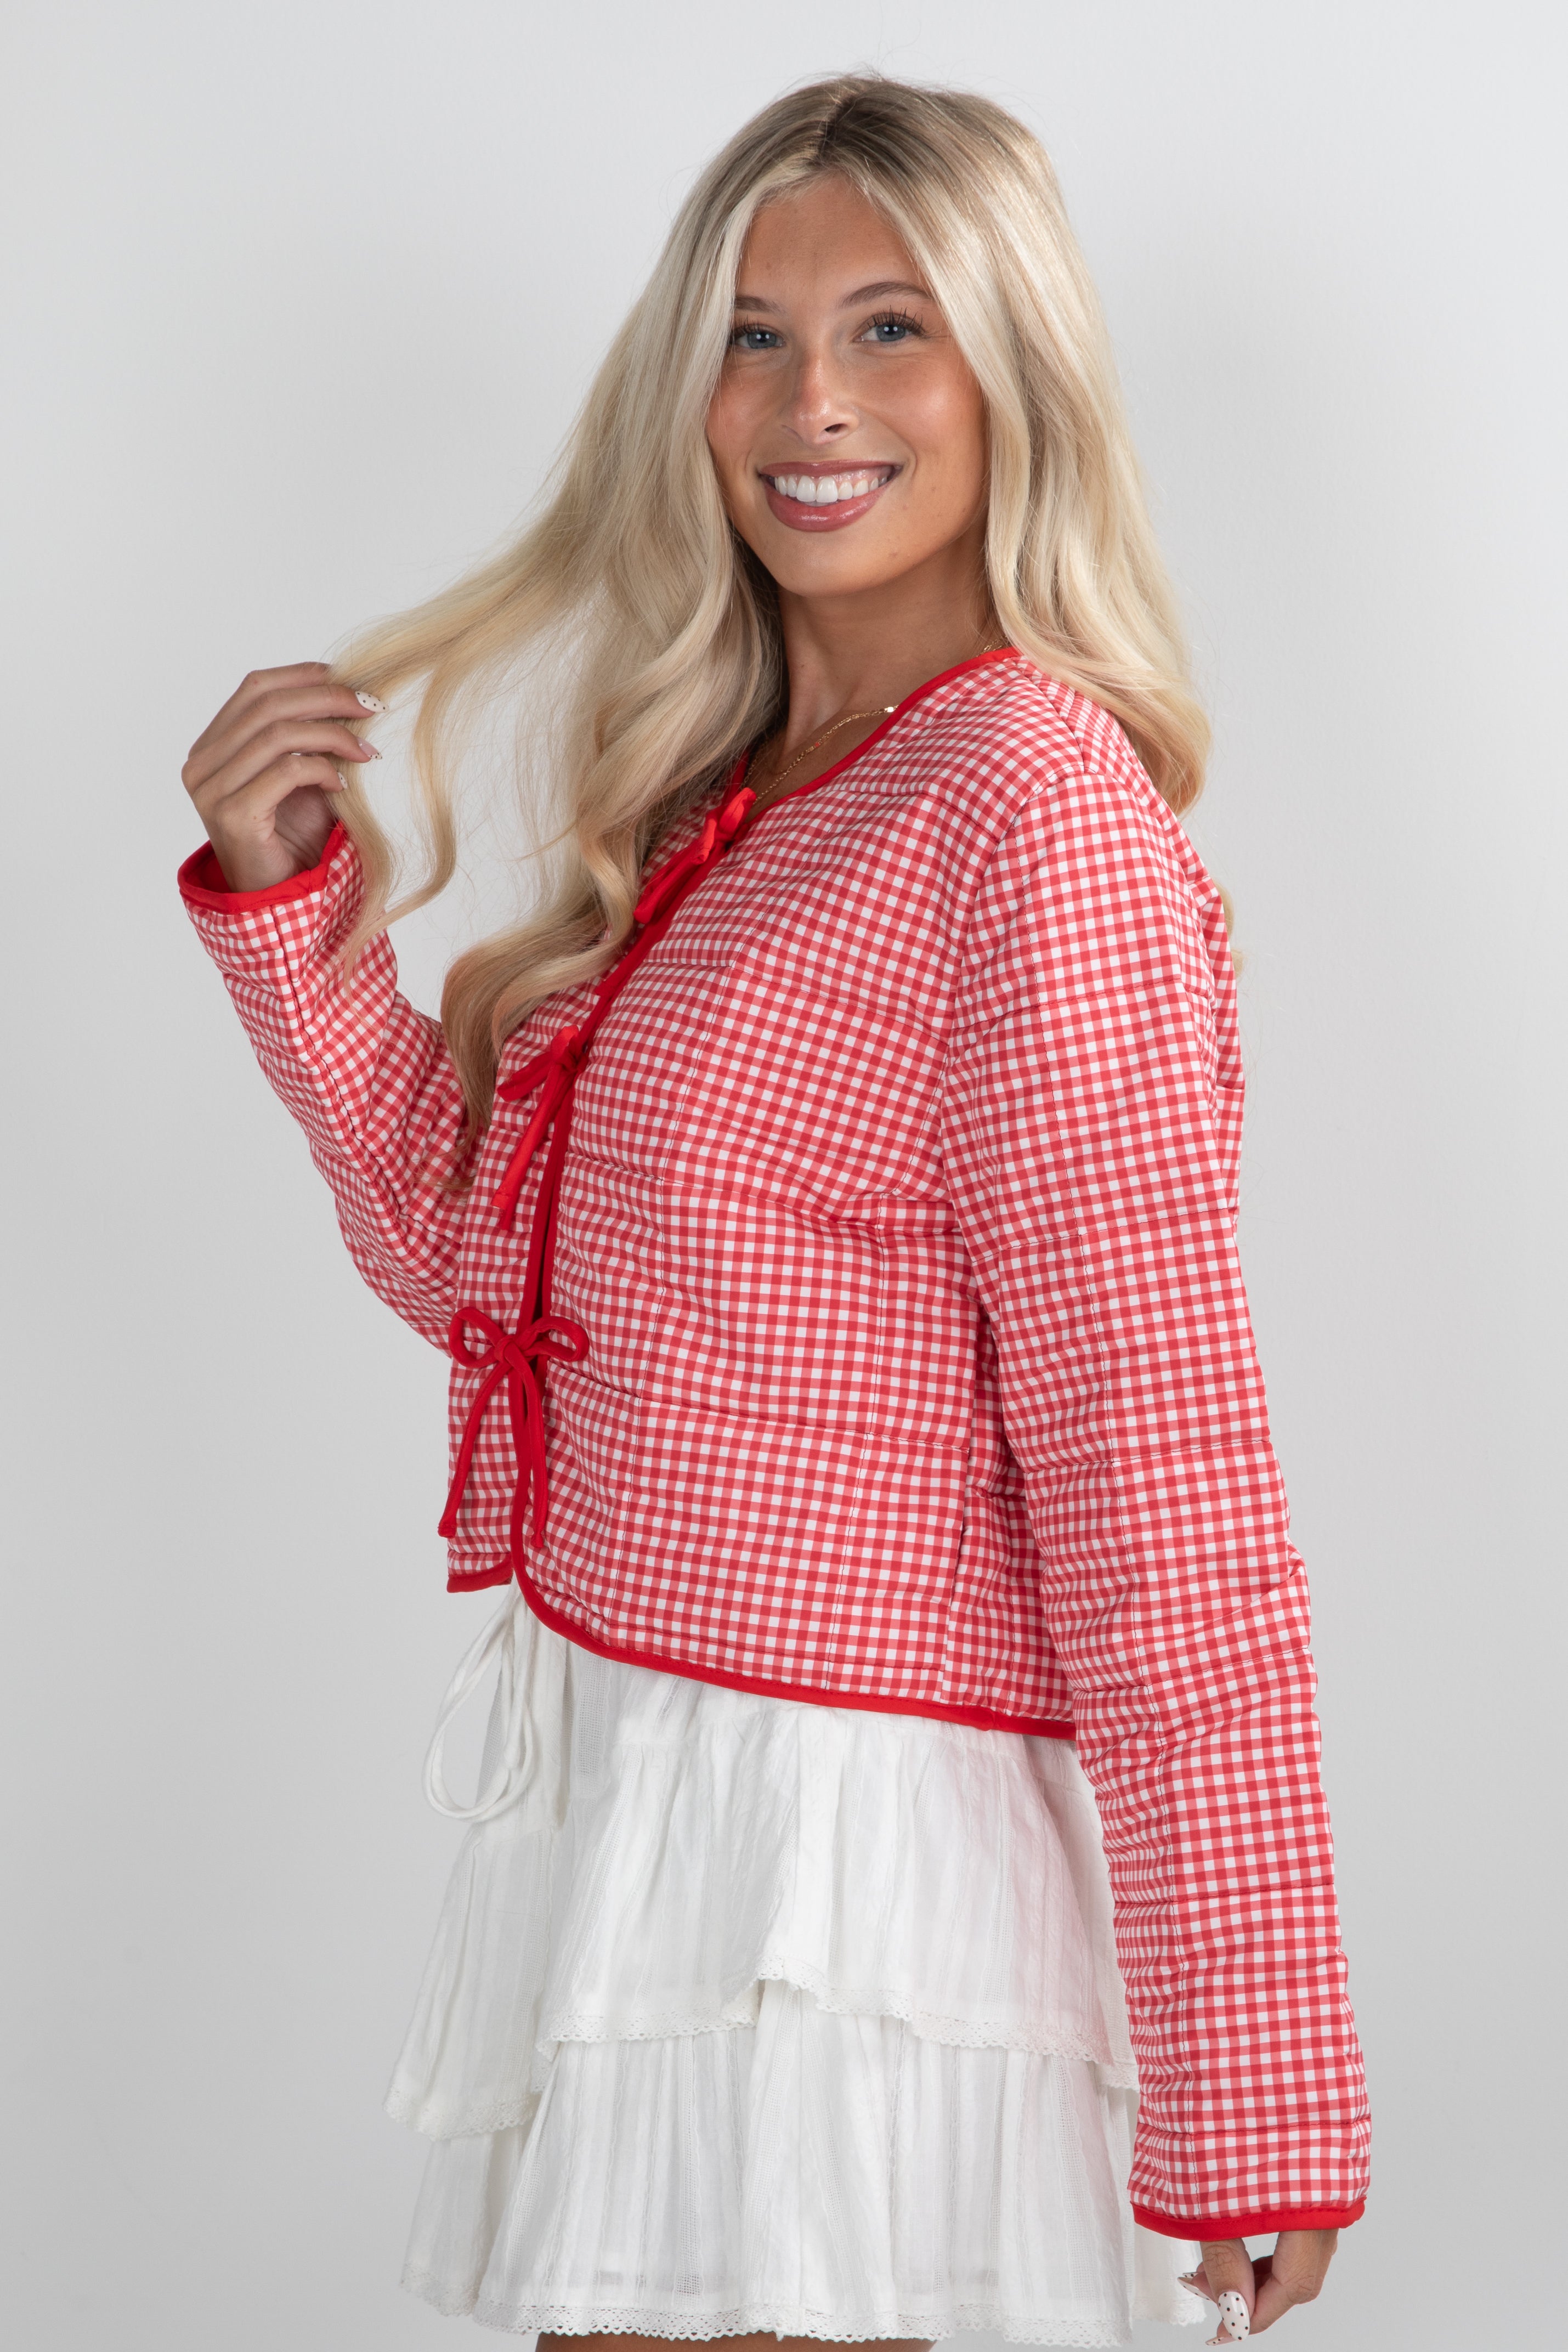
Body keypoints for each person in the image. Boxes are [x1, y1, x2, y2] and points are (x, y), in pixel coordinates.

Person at [177, 76, 1368, 2349]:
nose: (810, 401)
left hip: (847, 1877)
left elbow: (1157, 1459)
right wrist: (285, 916)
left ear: (1014, 372)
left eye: (891, 326)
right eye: (749, 332)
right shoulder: (742, 808)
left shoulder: (1029, 804)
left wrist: (1254, 2068)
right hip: (660, 1800)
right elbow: (481, 1275)